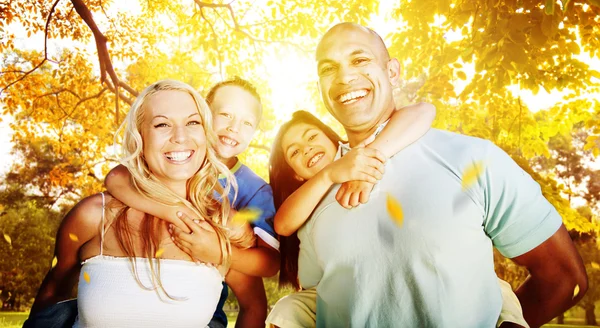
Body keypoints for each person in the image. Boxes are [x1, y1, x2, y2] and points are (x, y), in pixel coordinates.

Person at [291, 23, 587, 327]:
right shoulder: (315, 194)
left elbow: (563, 278)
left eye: (359, 60)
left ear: (392, 72)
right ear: (320, 89)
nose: (344, 77)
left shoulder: (472, 158)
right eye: (329, 68)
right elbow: (314, 297)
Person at [266, 110, 531, 328]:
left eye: (311, 136)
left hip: (424, 259)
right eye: (294, 152)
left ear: (333, 140)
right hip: (343, 285)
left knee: (486, 285)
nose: (307, 148)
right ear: (297, 175)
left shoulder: (363, 150)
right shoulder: (307, 201)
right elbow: (283, 223)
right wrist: (329, 175)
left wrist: (373, 153)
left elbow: (422, 112)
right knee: (288, 309)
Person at [27, 79, 254, 327]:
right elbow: (51, 298)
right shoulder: (93, 216)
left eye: (192, 122)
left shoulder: (225, 225)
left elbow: (253, 306)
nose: (180, 136)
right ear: (140, 137)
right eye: (162, 124)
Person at [104, 76, 279, 328]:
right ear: (202, 113)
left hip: (205, 311)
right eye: (226, 115)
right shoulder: (171, 159)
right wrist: (175, 212)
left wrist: (217, 252)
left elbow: (269, 263)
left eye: (247, 123)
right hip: (137, 294)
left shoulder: (254, 191)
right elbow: (116, 177)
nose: (233, 128)